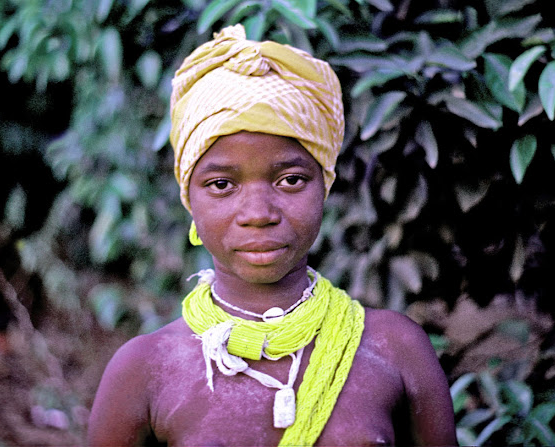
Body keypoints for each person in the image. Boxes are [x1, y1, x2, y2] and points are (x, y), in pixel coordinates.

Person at [87, 25, 457, 447]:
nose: (259, 214)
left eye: (291, 180)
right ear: (188, 196)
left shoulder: (395, 349)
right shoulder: (145, 370)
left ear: (326, 185)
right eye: (222, 185)